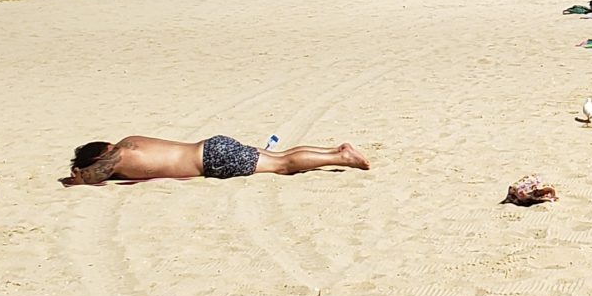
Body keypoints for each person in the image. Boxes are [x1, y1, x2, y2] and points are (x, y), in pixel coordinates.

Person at [62, 134, 369, 186]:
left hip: (211, 160)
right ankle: (333, 152)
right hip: (211, 146)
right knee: (281, 156)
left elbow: (91, 177)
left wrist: (77, 174)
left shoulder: (119, 156)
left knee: (282, 166)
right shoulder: (131, 142)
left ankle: (342, 157)